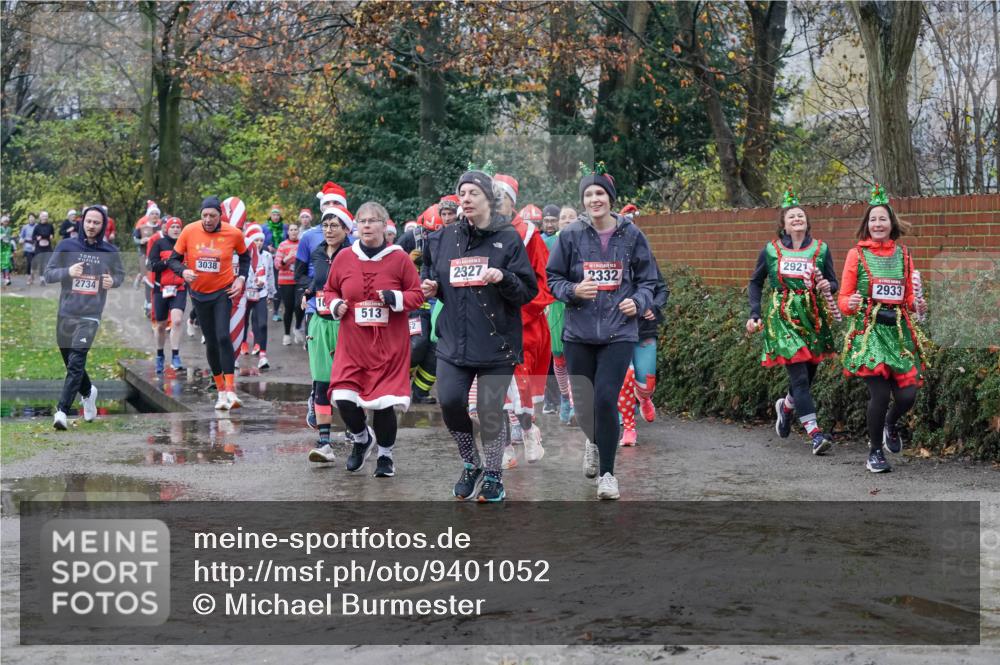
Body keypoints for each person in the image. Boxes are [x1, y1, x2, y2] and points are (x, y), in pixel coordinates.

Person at [422, 163, 538, 502]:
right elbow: (437, 280)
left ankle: (493, 476)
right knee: (451, 403)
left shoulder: (508, 239)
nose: (466, 198)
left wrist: (504, 278)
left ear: (489, 198)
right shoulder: (442, 238)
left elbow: (527, 291)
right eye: (462, 193)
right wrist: (429, 287)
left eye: (474, 192)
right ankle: (470, 463)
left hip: (497, 341)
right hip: (454, 339)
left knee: (489, 410)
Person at [547, 163, 659, 500]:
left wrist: (638, 302)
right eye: (588, 194)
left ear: (610, 198)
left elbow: (649, 280)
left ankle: (608, 475)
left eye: (600, 193)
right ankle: (593, 441)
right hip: (579, 332)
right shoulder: (570, 236)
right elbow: (553, 279)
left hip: (619, 331)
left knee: (606, 398)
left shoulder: (632, 235)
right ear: (583, 201)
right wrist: (573, 291)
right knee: (584, 404)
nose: (595, 199)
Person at [325, 202, 423, 478]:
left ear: (384, 225)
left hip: (388, 345)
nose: (367, 226)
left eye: (373, 221)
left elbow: (417, 294)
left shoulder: (400, 258)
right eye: (362, 221)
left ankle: (385, 456)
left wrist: (397, 298)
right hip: (353, 344)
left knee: (383, 404)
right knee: (343, 397)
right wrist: (335, 306)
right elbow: (330, 290)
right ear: (356, 226)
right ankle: (361, 439)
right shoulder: (344, 257)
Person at [838, 185, 928, 473]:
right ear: (867, 225)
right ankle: (875, 452)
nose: (878, 224)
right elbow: (843, 299)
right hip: (869, 331)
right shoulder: (856, 255)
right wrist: (850, 303)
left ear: (892, 224)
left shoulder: (904, 255)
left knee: (907, 395)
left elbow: (910, 297)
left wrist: (918, 305)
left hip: (898, 332)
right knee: (879, 394)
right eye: (873, 220)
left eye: (883, 219)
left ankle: (890, 423)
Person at [746, 189, 839, 455]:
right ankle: (815, 433)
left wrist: (826, 285)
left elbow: (833, 282)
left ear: (807, 222)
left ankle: (786, 407)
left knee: (809, 376)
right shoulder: (772, 251)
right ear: (784, 225)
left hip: (813, 319)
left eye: (800, 215)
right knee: (798, 376)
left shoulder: (820, 249)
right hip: (783, 318)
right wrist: (755, 313)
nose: (797, 219)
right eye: (791, 216)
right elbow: (755, 281)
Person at [43, 206, 125, 429]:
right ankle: (89, 393)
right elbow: (48, 274)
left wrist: (113, 282)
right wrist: (68, 272)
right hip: (66, 313)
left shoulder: (110, 251)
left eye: (96, 223)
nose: (91, 226)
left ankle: (61, 411)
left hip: (90, 315)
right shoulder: (66, 246)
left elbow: (119, 275)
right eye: (88, 221)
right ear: (82, 222)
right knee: (70, 362)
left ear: (103, 225)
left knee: (77, 362)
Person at [167, 196, 250, 410]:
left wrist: (241, 278)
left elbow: (245, 257)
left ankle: (231, 390)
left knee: (223, 336)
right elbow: (173, 259)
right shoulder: (189, 231)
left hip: (223, 292)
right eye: (204, 215)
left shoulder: (233, 233)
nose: (207, 220)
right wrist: (183, 271)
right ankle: (221, 391)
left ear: (219, 216)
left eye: (212, 216)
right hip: (199, 294)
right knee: (211, 341)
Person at [495, 181, 554, 469]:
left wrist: (521, 310)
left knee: (521, 389)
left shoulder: (529, 235)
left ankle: (529, 429)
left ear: (511, 202)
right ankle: (505, 447)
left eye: (500, 198)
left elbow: (545, 282)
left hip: (523, 324)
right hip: (489, 325)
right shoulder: (477, 233)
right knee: (495, 391)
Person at [300, 206, 354, 463]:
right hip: (320, 322)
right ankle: (324, 444)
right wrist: (308, 292)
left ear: (346, 229)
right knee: (322, 382)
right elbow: (318, 281)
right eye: (326, 225)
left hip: (347, 324)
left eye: (335, 225)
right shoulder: (319, 252)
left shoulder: (354, 253)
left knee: (349, 382)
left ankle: (357, 431)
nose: (329, 230)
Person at [146, 216, 188, 372]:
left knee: (177, 321)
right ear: (167, 229)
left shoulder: (185, 244)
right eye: (173, 227)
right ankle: (159, 354)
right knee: (161, 325)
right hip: (160, 289)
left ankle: (176, 355)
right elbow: (152, 265)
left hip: (179, 288)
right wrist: (168, 262)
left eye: (178, 227)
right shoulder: (159, 243)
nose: (176, 229)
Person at [241, 224, 273, 370]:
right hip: (246, 293)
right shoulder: (244, 256)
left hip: (261, 293)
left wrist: (272, 292)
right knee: (244, 322)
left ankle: (263, 355)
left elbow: (271, 274)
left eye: (261, 240)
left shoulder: (267, 256)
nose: (259, 243)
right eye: (256, 240)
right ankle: (243, 344)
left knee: (263, 324)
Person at [274, 223, 303, 344]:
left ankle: (297, 328)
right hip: (286, 281)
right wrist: (287, 258)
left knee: (299, 306)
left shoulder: (302, 244)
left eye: (296, 229)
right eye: (291, 230)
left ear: (298, 231)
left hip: (300, 280)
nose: (294, 232)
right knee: (289, 308)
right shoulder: (283, 245)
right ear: (288, 232)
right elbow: (277, 265)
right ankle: (286, 334)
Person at [31, 211, 55, 284]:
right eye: (43, 216)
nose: (45, 217)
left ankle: (47, 275)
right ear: (40, 217)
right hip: (39, 247)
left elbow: (52, 234)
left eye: (46, 216)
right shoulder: (37, 227)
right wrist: (36, 238)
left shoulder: (50, 226)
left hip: (47, 246)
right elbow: (33, 237)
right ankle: (42, 278)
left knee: (49, 261)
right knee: (41, 262)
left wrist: (52, 236)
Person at [19, 213, 36, 284]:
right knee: (29, 262)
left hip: (36, 247)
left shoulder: (37, 226)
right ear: (28, 219)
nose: (31, 219)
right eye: (30, 217)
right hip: (27, 247)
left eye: (33, 217)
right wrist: (21, 240)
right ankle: (29, 277)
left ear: (35, 218)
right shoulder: (25, 227)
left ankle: (32, 274)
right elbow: (21, 236)